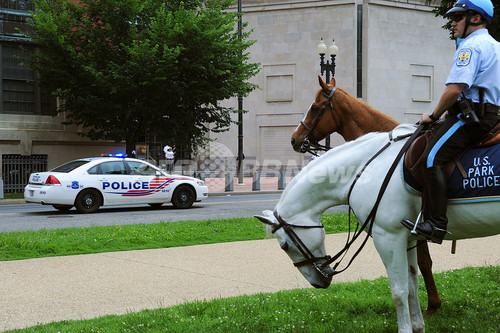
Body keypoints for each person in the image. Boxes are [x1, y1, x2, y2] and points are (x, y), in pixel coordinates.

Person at [402, 0, 500, 244]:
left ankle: (436, 224)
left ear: (475, 19)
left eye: (458, 18)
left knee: (433, 158)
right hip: (493, 114)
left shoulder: (470, 47)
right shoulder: (496, 46)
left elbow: (455, 89)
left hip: (473, 118)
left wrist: (433, 116)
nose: (453, 23)